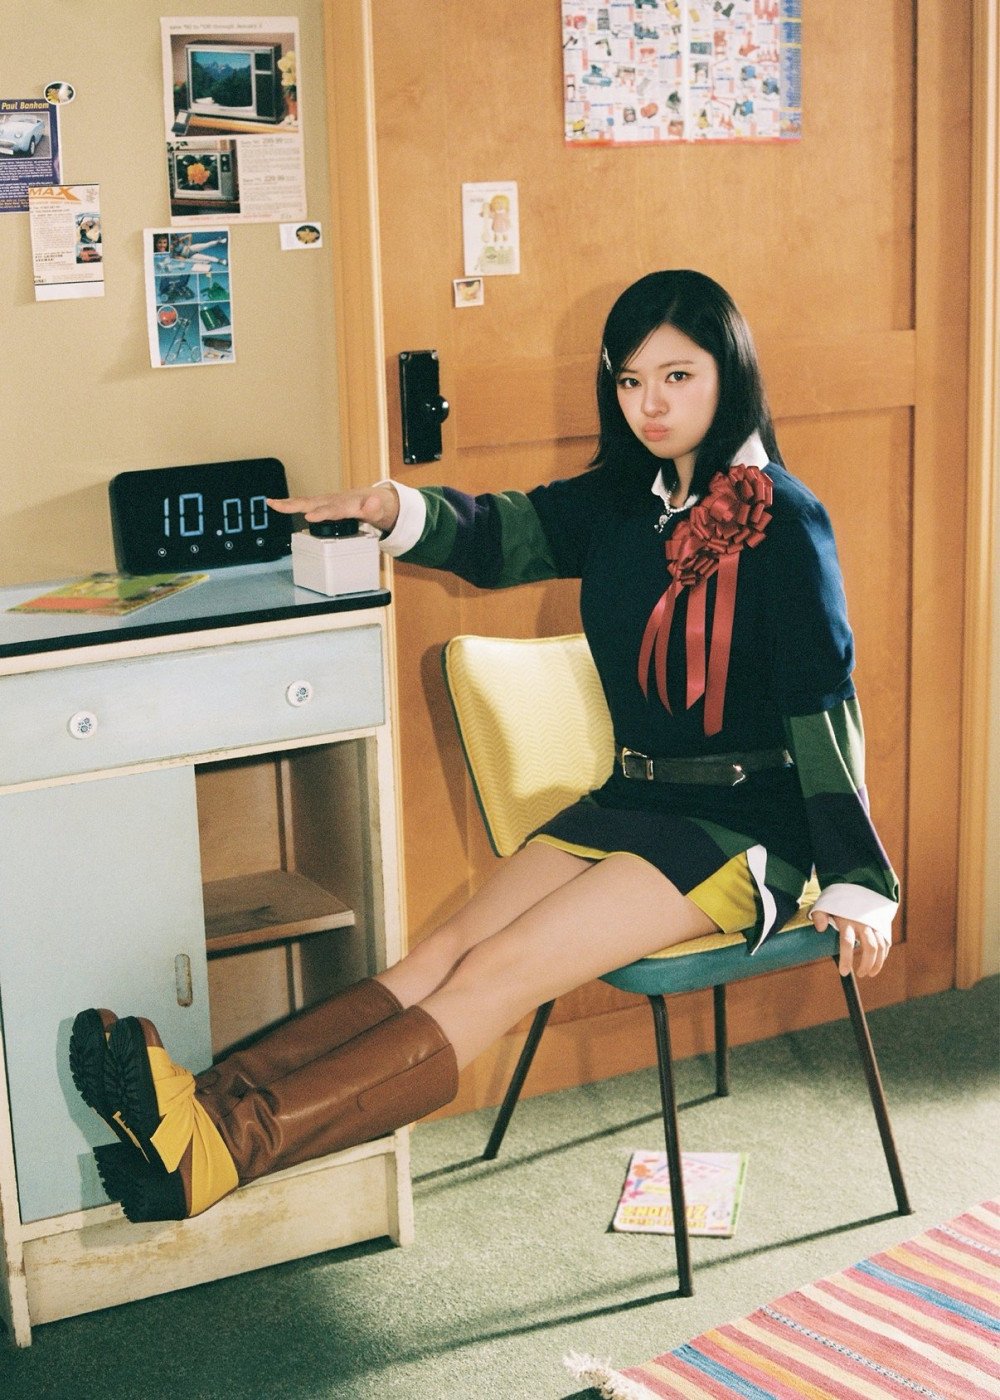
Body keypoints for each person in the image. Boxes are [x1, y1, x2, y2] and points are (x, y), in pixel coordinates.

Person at [70, 269, 898, 1224]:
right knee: (447, 950)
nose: (652, 405)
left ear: (731, 374)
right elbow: (507, 532)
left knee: (501, 971)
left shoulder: (781, 517)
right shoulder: (626, 499)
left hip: (744, 825)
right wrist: (392, 509)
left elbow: (820, 699)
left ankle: (226, 1150)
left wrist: (857, 877)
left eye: (679, 376)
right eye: (631, 381)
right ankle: (201, 1107)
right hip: (636, 797)